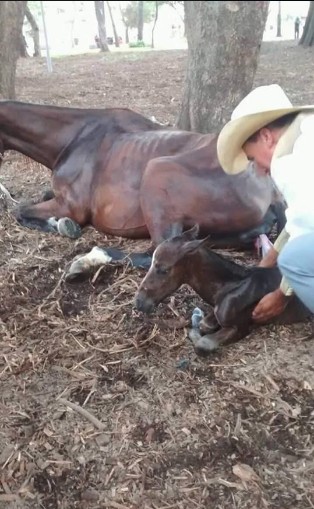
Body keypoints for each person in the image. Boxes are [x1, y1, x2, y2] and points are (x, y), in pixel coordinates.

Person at [216, 84, 314, 323]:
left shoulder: (290, 161)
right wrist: (266, 263)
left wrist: (281, 295)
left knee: (293, 260)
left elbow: (306, 232)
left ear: (267, 137)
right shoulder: (306, 133)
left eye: (252, 158)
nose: (260, 171)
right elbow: (298, 220)